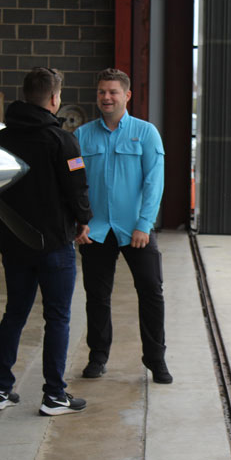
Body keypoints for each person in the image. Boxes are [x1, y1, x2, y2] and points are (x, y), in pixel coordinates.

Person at [0, 67, 92, 416]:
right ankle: (54, 395)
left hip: (14, 242)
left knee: (14, 313)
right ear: (54, 99)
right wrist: (83, 220)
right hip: (55, 245)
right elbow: (77, 188)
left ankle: (0, 390)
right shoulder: (63, 141)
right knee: (57, 318)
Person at [73, 68, 172, 384]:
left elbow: (154, 181)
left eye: (113, 92)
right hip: (96, 230)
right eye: (102, 91)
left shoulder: (146, 133)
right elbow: (74, 181)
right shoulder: (82, 136)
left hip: (136, 231)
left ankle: (156, 359)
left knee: (151, 292)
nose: (106, 97)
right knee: (97, 296)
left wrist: (145, 224)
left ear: (127, 95)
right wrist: (79, 221)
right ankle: (98, 356)